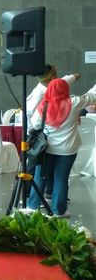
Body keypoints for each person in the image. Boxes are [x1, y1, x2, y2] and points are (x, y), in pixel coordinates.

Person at [25, 79, 96, 217]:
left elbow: (34, 125)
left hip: (46, 149)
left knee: (40, 177)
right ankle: (59, 211)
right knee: (61, 179)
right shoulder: (74, 102)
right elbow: (92, 96)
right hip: (68, 150)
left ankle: (33, 206)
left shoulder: (43, 105)